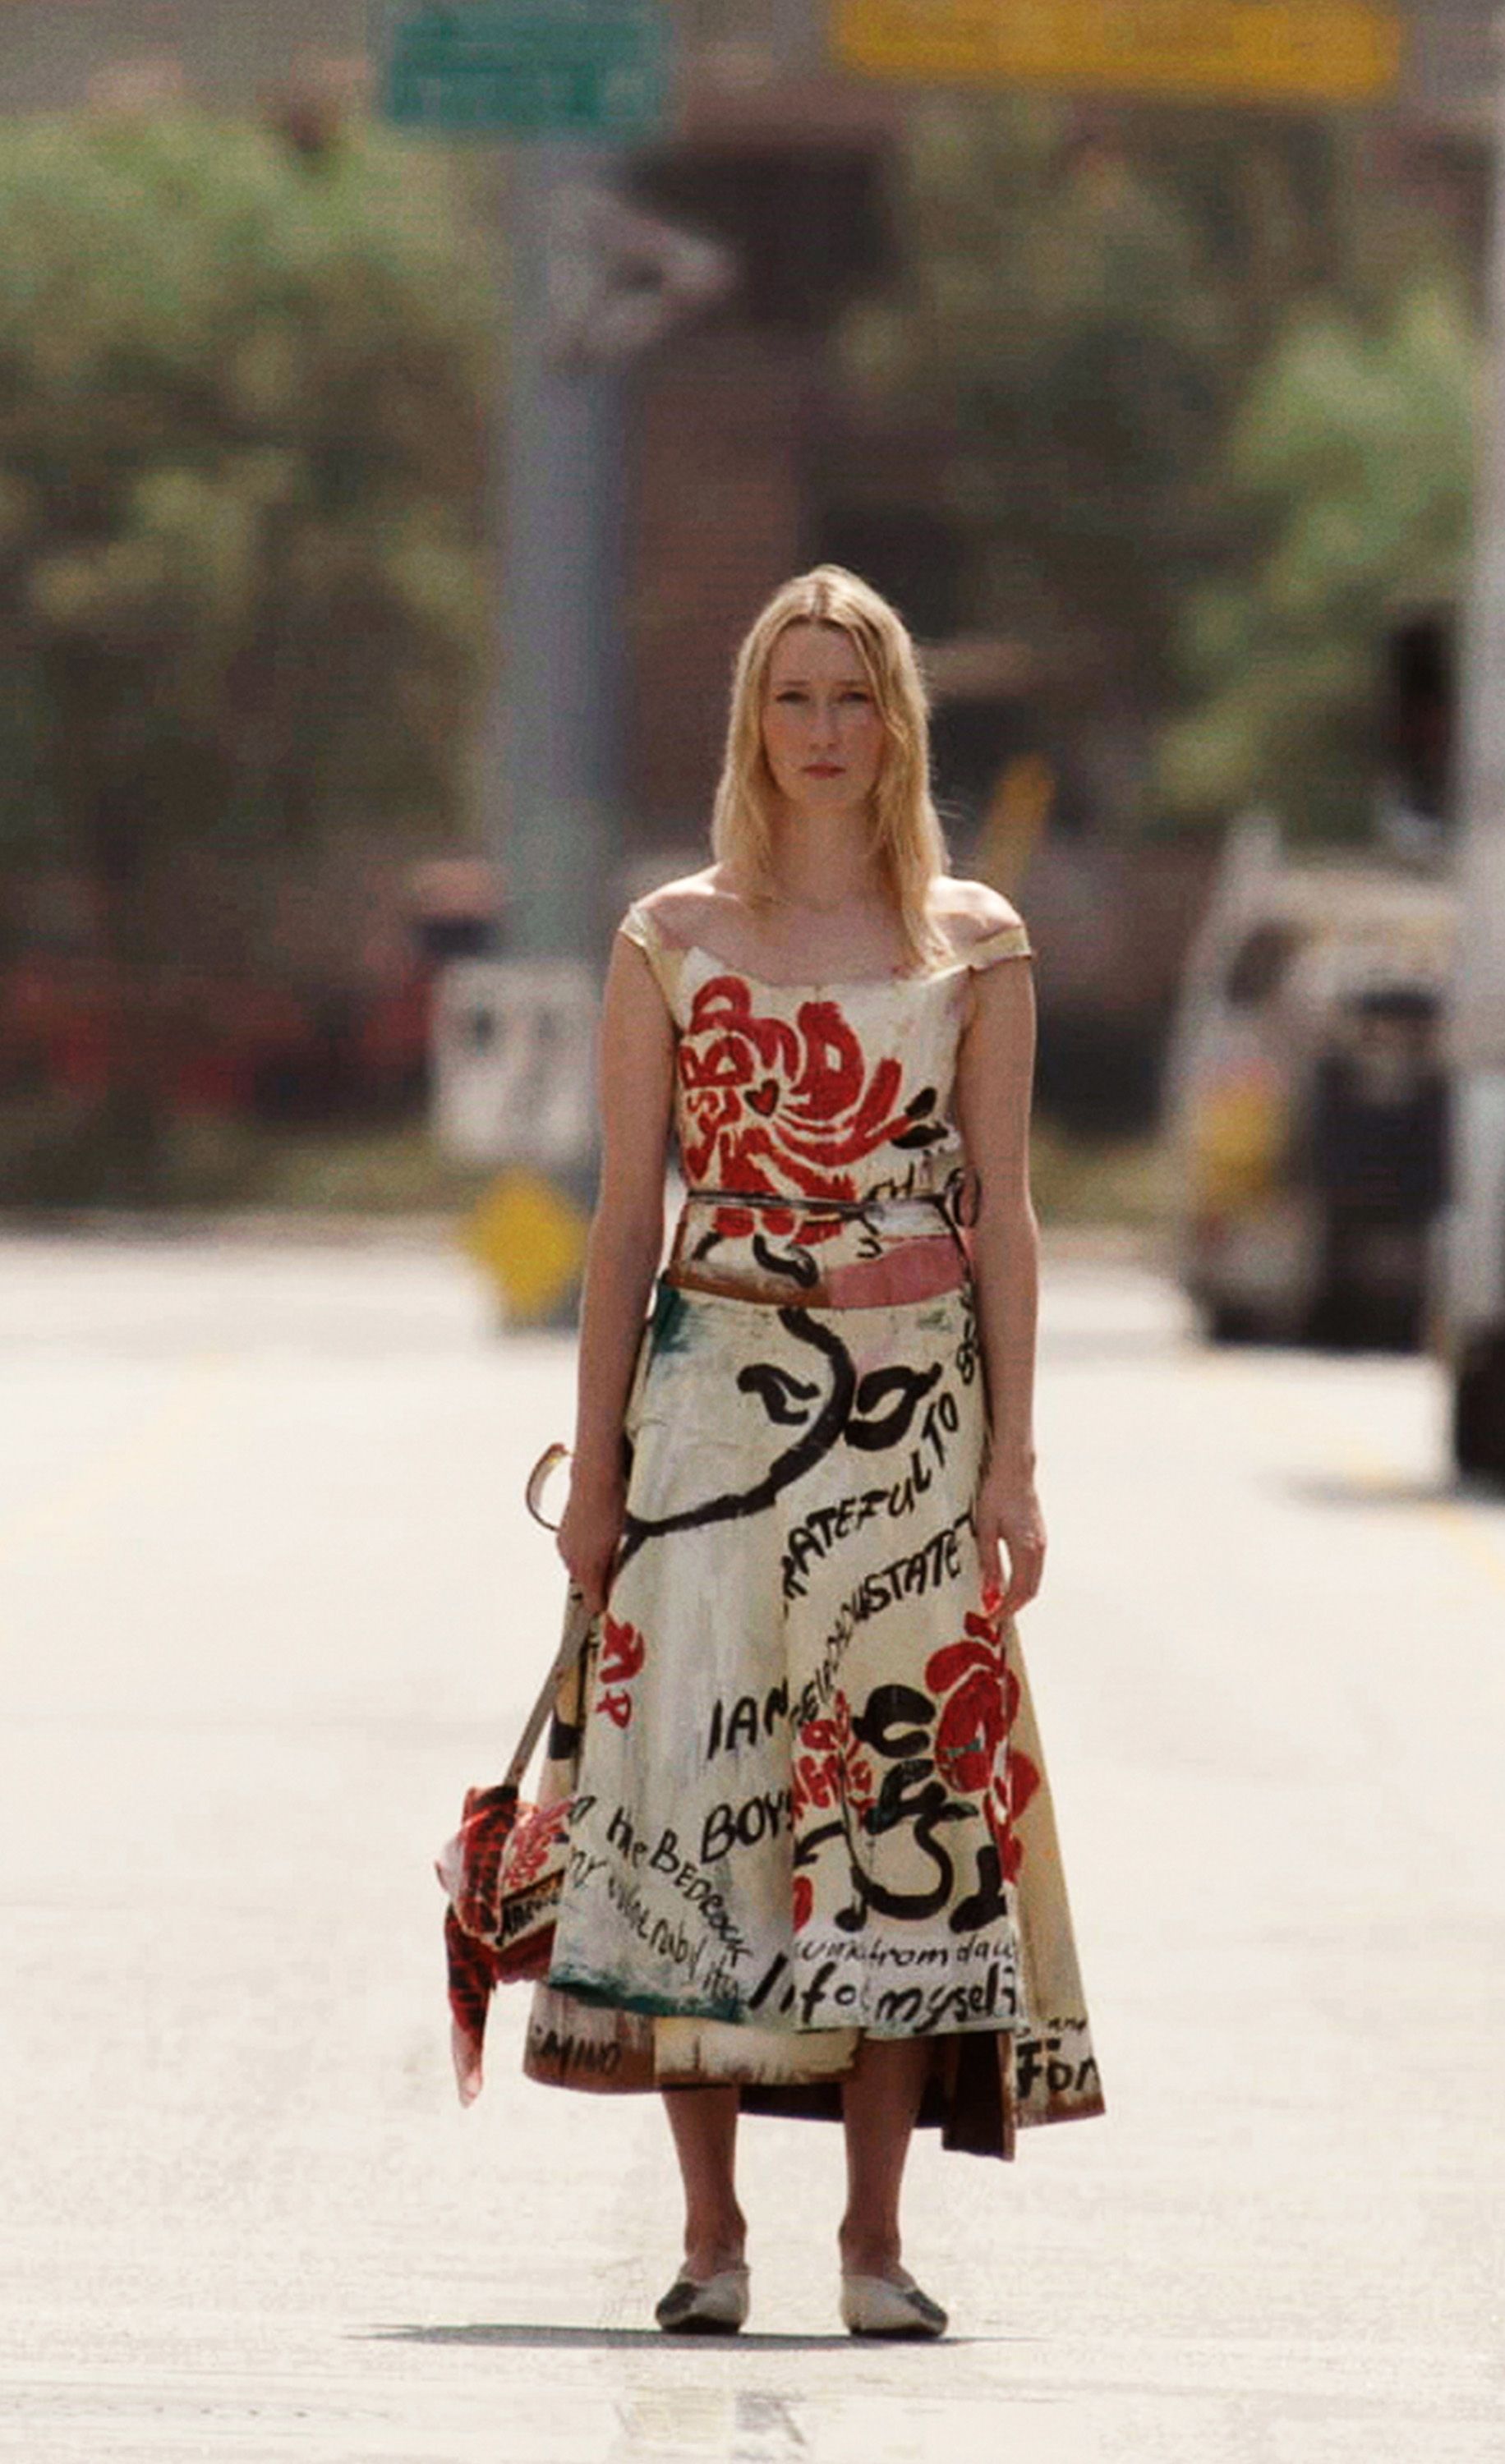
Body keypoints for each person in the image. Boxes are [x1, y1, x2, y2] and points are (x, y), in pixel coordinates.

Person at [528, 565, 1102, 2341]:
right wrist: (597, 1474)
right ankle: (709, 2237)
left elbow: (1006, 1214)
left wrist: (1014, 1464)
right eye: (796, 698)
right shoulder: (668, 935)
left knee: (898, 1799)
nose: (826, 731)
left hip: (914, 1418)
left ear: (899, 724)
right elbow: (625, 1223)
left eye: (856, 698)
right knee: (697, 1797)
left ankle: (873, 2240)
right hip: (709, 1411)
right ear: (752, 724)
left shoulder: (974, 941)